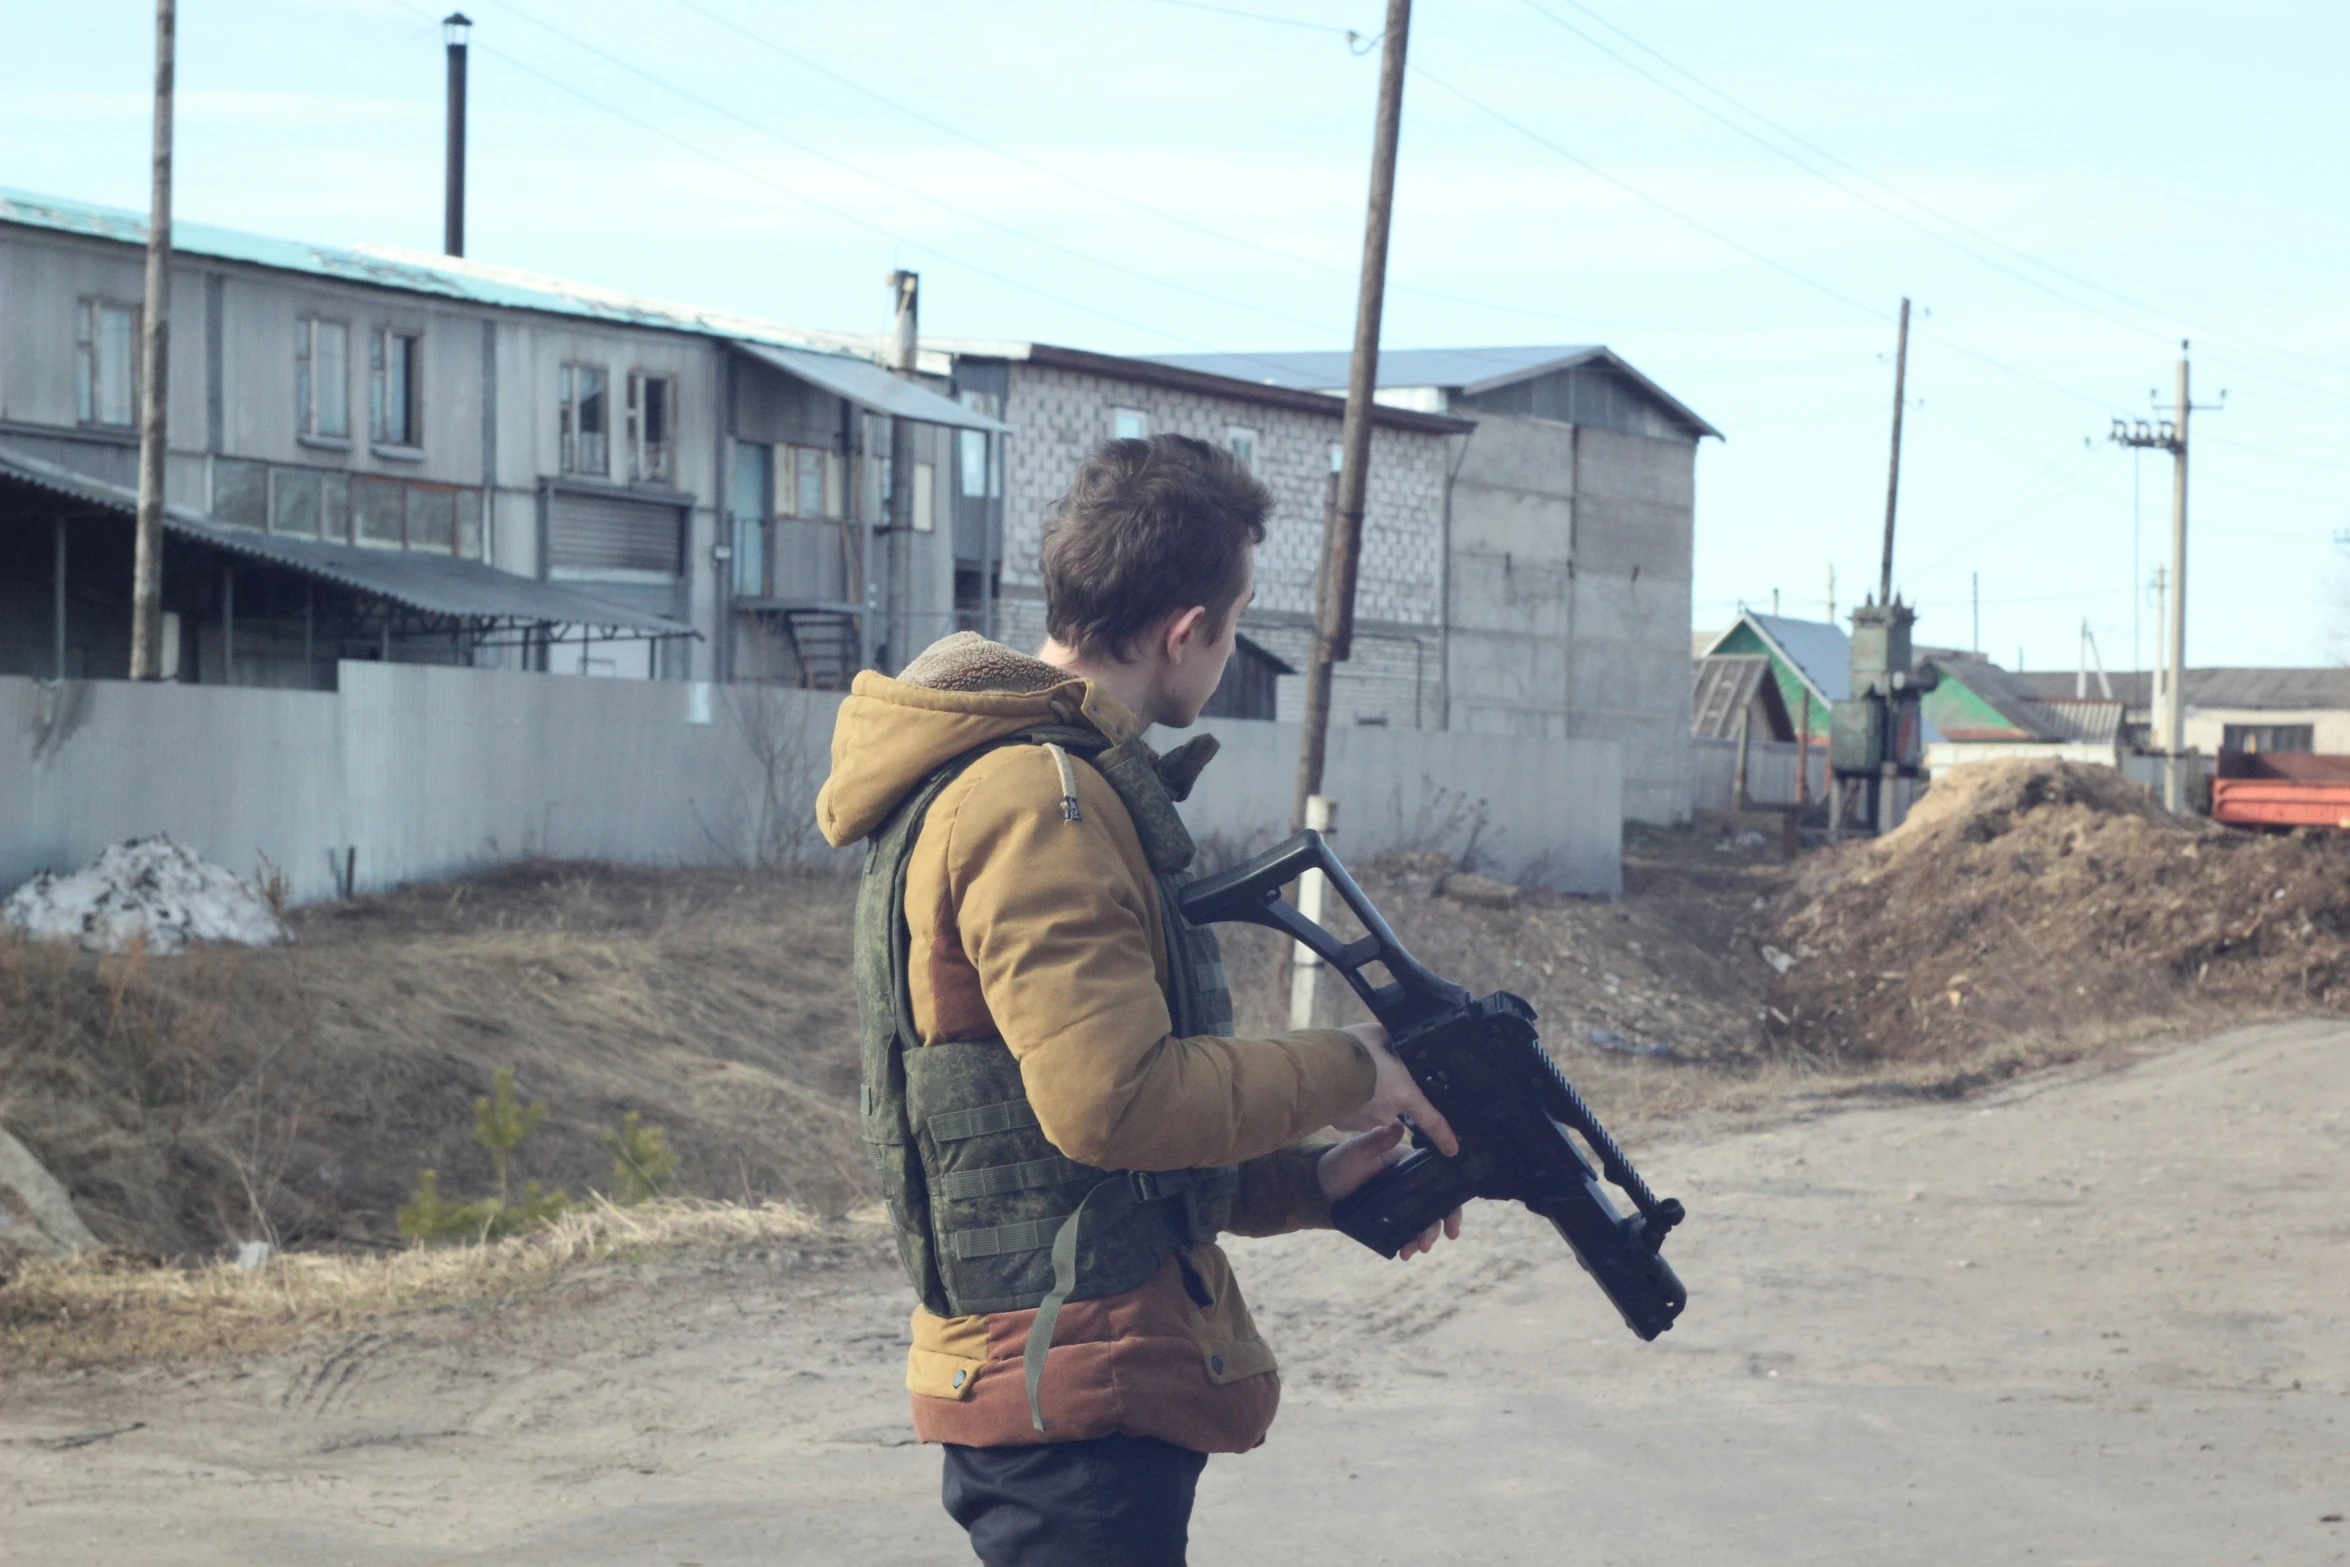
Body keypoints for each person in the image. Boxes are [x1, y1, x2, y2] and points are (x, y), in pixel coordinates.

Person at [815, 432, 1461, 1567]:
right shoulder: (1036, 798)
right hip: (1072, 1394)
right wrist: (1356, 1067)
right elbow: (1110, 1102)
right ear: (1184, 631)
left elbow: (1084, 1143)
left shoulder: (1046, 780)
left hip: (1084, 1374)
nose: (1229, 647)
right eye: (1235, 619)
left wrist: (1310, 1179)